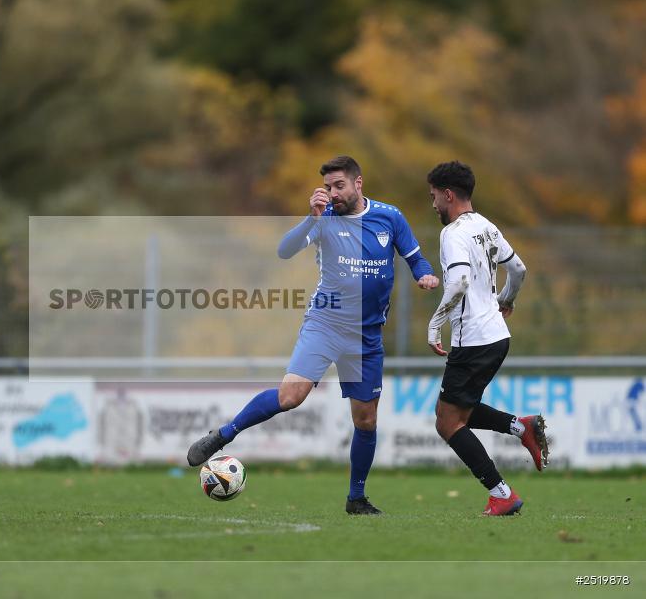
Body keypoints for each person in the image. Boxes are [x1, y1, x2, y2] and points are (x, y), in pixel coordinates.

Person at [188, 155, 440, 514]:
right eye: (327, 187)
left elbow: (415, 257)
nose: (332, 193)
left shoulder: (390, 216)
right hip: (325, 324)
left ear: (358, 184)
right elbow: (284, 250)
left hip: (366, 336)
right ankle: (224, 435)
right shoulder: (324, 220)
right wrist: (312, 217)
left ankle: (356, 499)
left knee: (366, 419)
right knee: (291, 396)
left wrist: (424, 275)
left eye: (339, 185)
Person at [425, 160, 549, 516]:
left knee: (447, 422)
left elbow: (460, 281)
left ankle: (502, 493)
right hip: (497, 335)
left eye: (434, 197)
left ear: (448, 195)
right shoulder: (485, 226)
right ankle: (519, 426)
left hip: (474, 338)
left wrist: (435, 323)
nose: (433, 205)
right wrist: (506, 299)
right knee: (456, 411)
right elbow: (519, 269)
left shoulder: (452, 233)